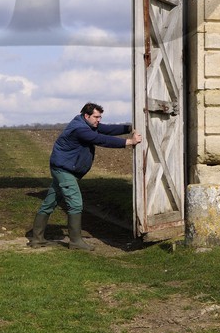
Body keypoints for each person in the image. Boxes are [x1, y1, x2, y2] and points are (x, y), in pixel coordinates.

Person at [29, 102, 140, 250]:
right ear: (86, 115)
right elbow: (101, 139)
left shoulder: (87, 123)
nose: (98, 120)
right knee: (75, 203)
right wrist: (129, 142)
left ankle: (37, 239)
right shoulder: (80, 129)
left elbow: (106, 129)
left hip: (64, 169)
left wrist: (129, 128)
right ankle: (75, 242)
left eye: (100, 117)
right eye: (96, 117)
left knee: (50, 202)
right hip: (64, 171)